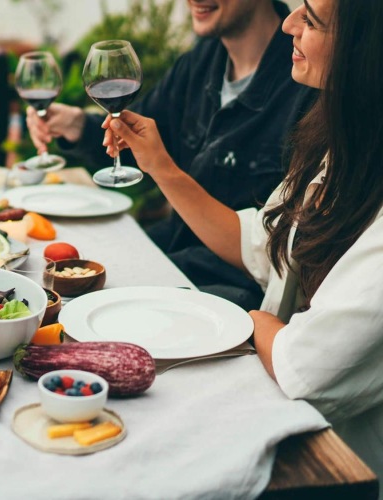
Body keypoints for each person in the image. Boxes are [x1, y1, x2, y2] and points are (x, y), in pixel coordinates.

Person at [108, 0, 383, 485]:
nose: (289, 23)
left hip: (333, 468)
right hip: (283, 413)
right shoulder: (341, 148)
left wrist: (253, 320)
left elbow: (302, 364)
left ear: (363, 53)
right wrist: (161, 167)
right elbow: (259, 244)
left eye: (311, 19)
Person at [26, 0, 314, 311]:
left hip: (233, 295)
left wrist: (162, 168)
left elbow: (282, 252)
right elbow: (139, 140)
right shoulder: (200, 62)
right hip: (173, 255)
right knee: (45, 274)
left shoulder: (308, 85)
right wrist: (77, 125)